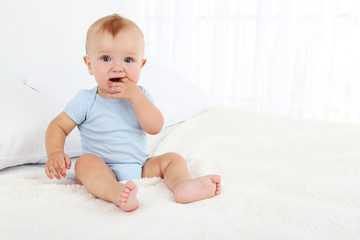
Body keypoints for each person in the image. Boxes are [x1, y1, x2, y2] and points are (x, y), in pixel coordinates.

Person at [44, 14, 221, 212]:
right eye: (105, 58)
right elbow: (57, 126)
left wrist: (137, 99)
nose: (117, 67)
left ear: (141, 65)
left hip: (139, 166)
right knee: (84, 163)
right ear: (89, 65)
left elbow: (154, 127)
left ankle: (183, 185)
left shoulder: (141, 96)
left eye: (128, 59)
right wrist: (55, 153)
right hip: (102, 168)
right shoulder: (86, 100)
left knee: (173, 159)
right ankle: (114, 191)